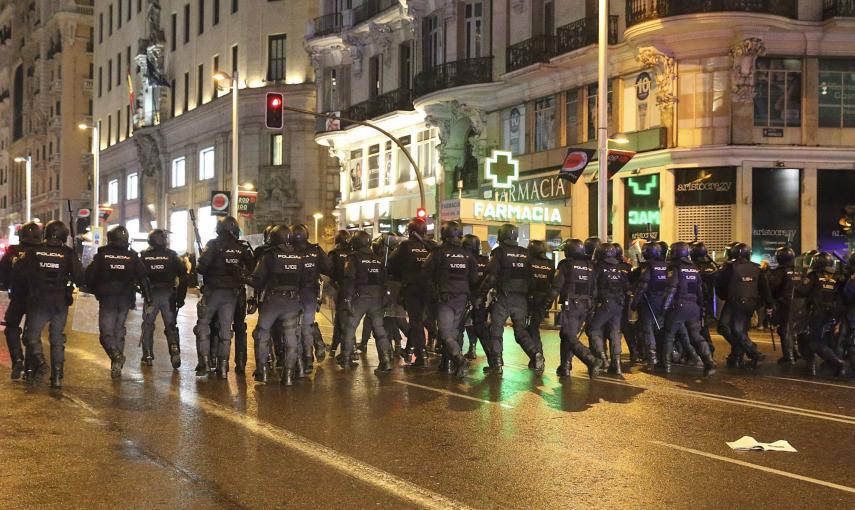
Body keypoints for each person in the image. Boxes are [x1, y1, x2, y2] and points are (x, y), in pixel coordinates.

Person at [17, 222, 84, 387]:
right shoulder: (68, 254)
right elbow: (80, 279)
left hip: (39, 301)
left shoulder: (34, 252)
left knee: (31, 336)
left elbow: (20, 273)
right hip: (59, 302)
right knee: (57, 339)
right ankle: (57, 377)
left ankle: (41, 363)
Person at [86, 226, 150, 379]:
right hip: (125, 299)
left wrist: (91, 288)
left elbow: (89, 276)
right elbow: (143, 277)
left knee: (106, 334)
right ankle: (117, 364)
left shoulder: (102, 255)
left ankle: (116, 357)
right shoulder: (132, 256)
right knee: (119, 331)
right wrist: (148, 297)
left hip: (108, 298)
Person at [195, 216, 254, 378]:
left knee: (203, 326)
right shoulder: (242, 247)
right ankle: (223, 368)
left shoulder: (213, 245)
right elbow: (252, 269)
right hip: (232, 294)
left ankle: (205, 362)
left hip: (213, 292)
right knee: (225, 331)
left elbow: (201, 268)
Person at [478, 223, 540, 375]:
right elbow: (532, 279)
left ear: (502, 235)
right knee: (521, 332)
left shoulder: (499, 252)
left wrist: (481, 294)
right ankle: (536, 355)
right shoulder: (526, 253)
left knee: (496, 331)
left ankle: (497, 365)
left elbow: (491, 277)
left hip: (504, 298)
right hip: (521, 299)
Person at [422, 221, 480, 378]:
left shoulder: (438, 252)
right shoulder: (468, 256)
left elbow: (425, 274)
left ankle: (459, 361)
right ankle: (452, 364)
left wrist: (434, 293)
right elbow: (474, 280)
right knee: (453, 333)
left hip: (445, 299)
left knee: (446, 334)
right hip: (462, 300)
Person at [250, 225, 304, 385]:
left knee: (261, 334)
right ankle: (287, 376)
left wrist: (244, 277)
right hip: (293, 301)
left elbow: (257, 281)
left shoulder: (269, 256)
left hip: (273, 301)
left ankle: (263, 372)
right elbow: (305, 280)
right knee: (291, 338)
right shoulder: (299, 256)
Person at [549, 238, 604, 378]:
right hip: (586, 306)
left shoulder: (566, 265)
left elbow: (557, 286)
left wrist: (547, 303)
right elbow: (594, 289)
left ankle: (590, 360)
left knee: (568, 335)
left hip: (571, 305)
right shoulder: (590, 265)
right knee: (567, 335)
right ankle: (565, 367)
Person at [340, 230, 393, 374]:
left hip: (359, 298)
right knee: (379, 330)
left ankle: (345, 359)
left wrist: (347, 299)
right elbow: (384, 281)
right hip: (376, 299)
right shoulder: (378, 258)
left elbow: (349, 280)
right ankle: (386, 360)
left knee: (350, 327)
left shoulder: (353, 258)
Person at [660, 242, 717, 376]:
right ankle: (709, 361)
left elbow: (671, 289)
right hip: (693, 307)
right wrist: (701, 308)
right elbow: (699, 291)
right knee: (696, 336)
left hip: (678, 306)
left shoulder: (674, 268)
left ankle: (665, 365)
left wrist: (664, 308)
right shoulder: (693, 269)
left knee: (668, 335)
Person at [716, 242, 773, 369]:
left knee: (733, 329)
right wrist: (768, 304)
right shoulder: (757, 268)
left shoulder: (730, 268)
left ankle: (754, 353)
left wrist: (725, 296)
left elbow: (720, 285)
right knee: (728, 328)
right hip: (749, 304)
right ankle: (738, 352)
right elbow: (765, 288)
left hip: (735, 302)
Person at [139, 229, 188, 369]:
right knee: (171, 326)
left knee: (148, 325)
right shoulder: (172, 256)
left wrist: (143, 292)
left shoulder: (144, 256)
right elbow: (184, 277)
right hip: (168, 295)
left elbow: (139, 277)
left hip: (151, 295)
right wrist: (180, 297)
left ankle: (147, 354)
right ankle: (174, 350)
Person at [387, 218, 432, 367]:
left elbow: (391, 265)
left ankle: (422, 355)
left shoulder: (405, 246)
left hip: (412, 289)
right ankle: (412, 350)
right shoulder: (430, 246)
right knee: (419, 322)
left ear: (410, 231)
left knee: (416, 322)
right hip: (429, 289)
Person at [0, 221, 42, 379]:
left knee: (11, 327)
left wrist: (7, 285)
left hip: (17, 296)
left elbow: (2, 272)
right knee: (32, 332)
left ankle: (17, 359)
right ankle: (31, 369)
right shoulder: (42, 252)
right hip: (37, 298)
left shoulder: (13, 251)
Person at [797, 252, 848, 377]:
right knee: (819, 338)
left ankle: (836, 362)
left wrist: (802, 277)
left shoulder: (813, 275)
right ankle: (816, 364)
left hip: (816, 312)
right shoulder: (835, 277)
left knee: (812, 340)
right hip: (831, 313)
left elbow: (801, 290)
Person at [292, 223, 332, 374]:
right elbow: (328, 268)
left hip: (293, 295)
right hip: (310, 295)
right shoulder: (315, 250)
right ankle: (308, 359)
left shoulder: (288, 251)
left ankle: (300, 360)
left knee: (294, 328)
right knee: (306, 327)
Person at [588, 243, 630, 375]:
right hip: (618, 304)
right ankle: (616, 365)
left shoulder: (597, 267)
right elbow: (627, 288)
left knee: (593, 329)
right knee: (614, 333)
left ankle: (603, 359)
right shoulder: (619, 268)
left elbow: (593, 287)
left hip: (604, 304)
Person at [631, 241, 668, 370]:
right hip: (663, 302)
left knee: (648, 331)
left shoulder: (648, 267)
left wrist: (634, 303)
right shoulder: (665, 265)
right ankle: (664, 357)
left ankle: (652, 359)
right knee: (661, 329)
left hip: (649, 302)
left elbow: (642, 287)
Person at [767, 246, 805, 365]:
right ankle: (795, 351)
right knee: (793, 329)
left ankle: (788, 357)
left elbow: (773, 286)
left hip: (786, 303)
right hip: (800, 303)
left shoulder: (781, 271)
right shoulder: (799, 270)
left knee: (785, 330)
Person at [462, 234, 489, 360]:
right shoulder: (485, 260)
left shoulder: (465, 258)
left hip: (466, 297)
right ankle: (493, 358)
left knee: (462, 325)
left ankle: (454, 357)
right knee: (479, 326)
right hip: (481, 298)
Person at [526, 240, 554, 362]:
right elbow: (552, 283)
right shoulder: (550, 264)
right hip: (543, 300)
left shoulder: (529, 262)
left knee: (530, 328)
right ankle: (537, 355)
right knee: (534, 327)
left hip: (530, 299)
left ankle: (537, 355)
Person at [327, 230, 351, 360]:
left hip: (339, 289)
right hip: (352, 291)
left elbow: (328, 270)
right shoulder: (353, 253)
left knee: (343, 320)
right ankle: (334, 347)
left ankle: (349, 351)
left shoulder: (334, 253)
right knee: (341, 318)